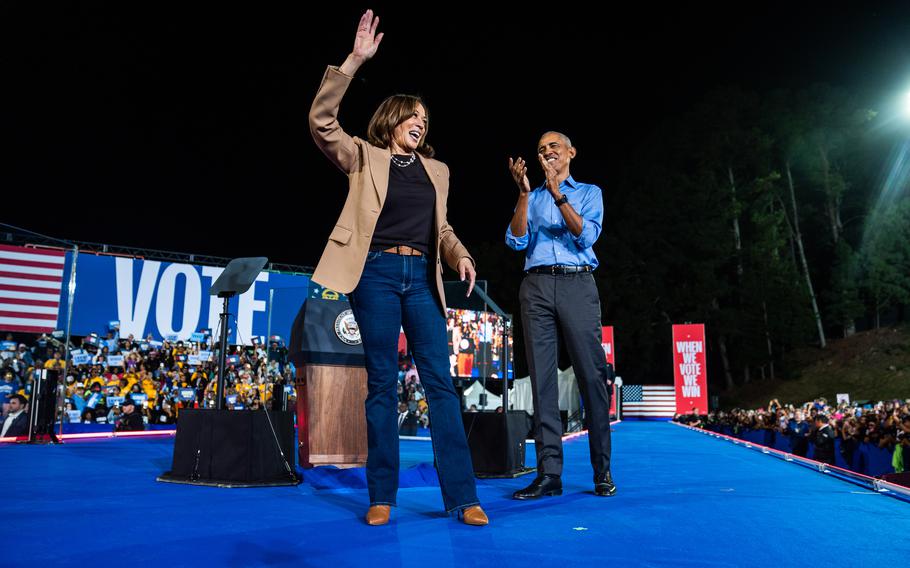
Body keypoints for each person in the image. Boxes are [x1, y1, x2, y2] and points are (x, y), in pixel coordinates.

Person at [308, 10, 486, 526]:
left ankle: (463, 496)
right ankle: (380, 495)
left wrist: (463, 256)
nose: (422, 123)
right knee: (383, 383)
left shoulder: (439, 170)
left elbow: (443, 231)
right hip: (376, 276)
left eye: (426, 120)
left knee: (440, 384)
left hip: (422, 281)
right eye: (414, 115)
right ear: (392, 118)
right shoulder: (364, 156)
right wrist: (354, 61)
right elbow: (322, 123)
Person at [505, 131, 615, 499]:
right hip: (536, 286)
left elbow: (586, 236)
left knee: (591, 376)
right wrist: (523, 194)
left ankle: (602, 471)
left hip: (577, 285)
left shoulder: (589, 192)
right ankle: (549, 474)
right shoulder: (531, 198)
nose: (547, 151)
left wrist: (557, 192)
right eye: (540, 149)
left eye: (554, 146)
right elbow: (516, 240)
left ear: (571, 151)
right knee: (543, 383)